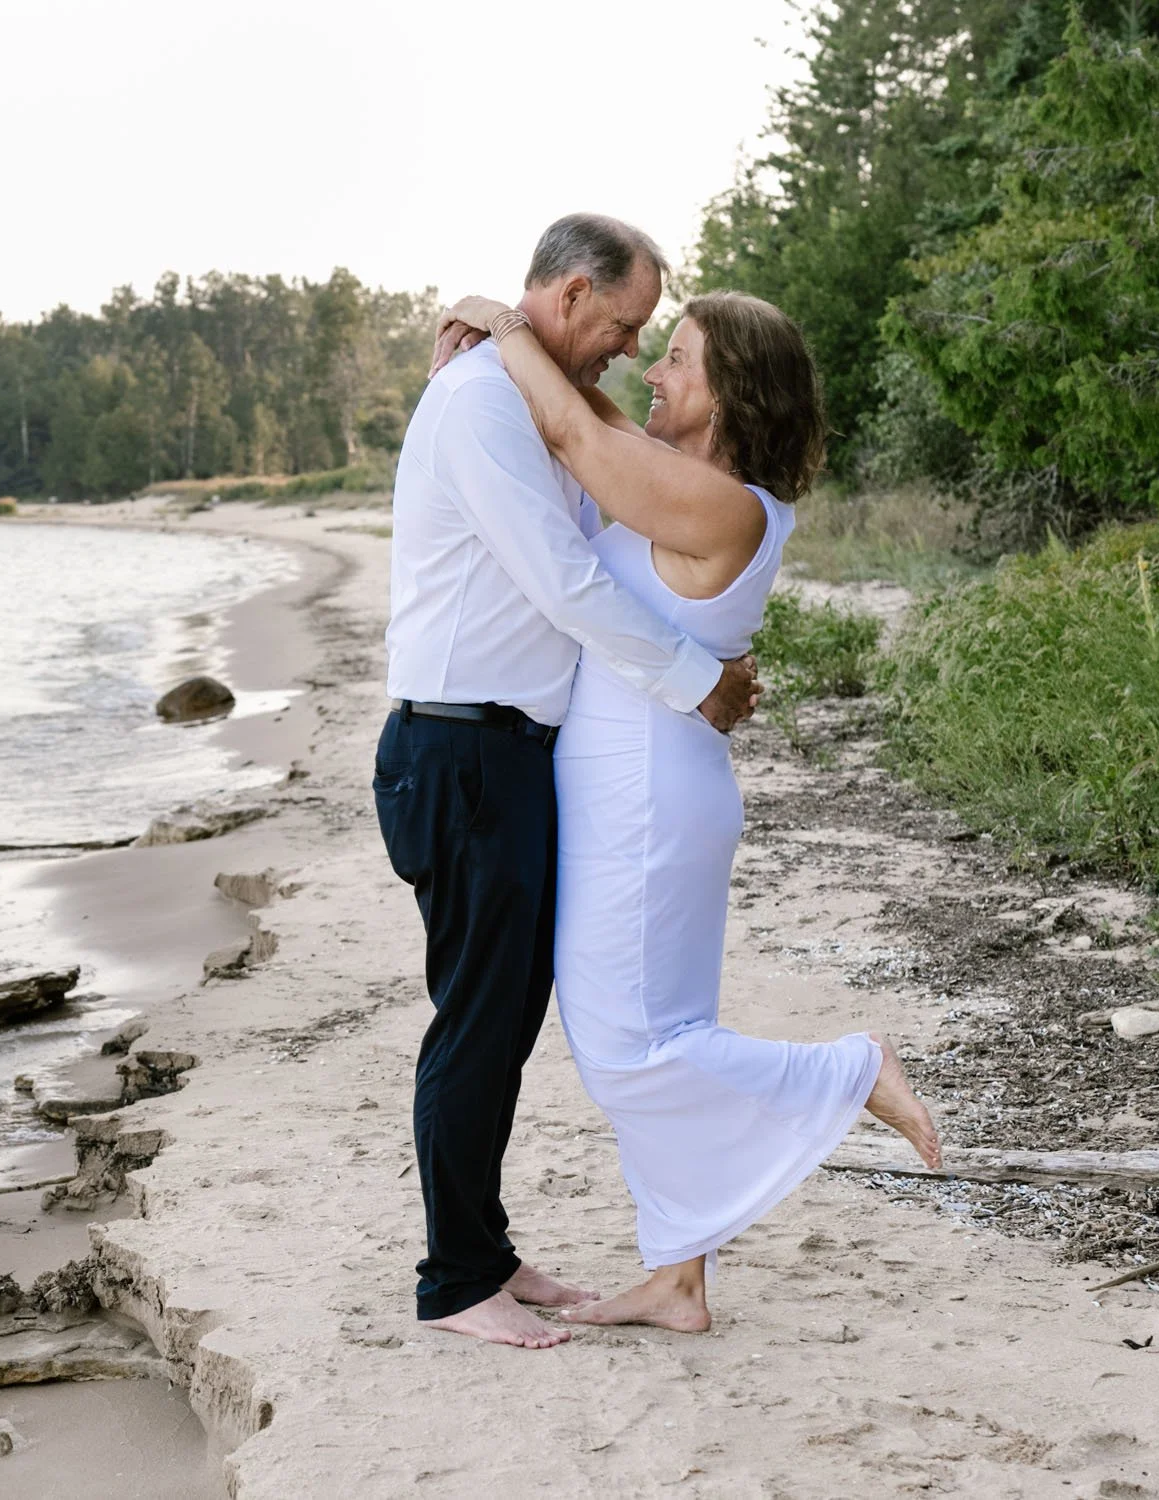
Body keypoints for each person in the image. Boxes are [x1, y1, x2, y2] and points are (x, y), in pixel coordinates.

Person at [431, 284, 942, 1335]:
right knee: (663, 1027)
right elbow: (598, 423)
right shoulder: (688, 482)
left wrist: (510, 327)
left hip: (649, 798)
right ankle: (677, 1278)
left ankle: (853, 1069)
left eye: (677, 358)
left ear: (727, 394)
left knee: (630, 1046)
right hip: (646, 781)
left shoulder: (724, 504)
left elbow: (574, 425)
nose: (650, 374)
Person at [375, 214, 762, 1350]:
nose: (628, 352)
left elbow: (596, 536)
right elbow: (560, 583)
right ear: (579, 293)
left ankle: (485, 1250)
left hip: (503, 752)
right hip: (458, 749)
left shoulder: (523, 389)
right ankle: (455, 1283)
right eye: (626, 326)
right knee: (478, 1017)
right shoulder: (484, 401)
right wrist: (695, 680)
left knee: (504, 1014)